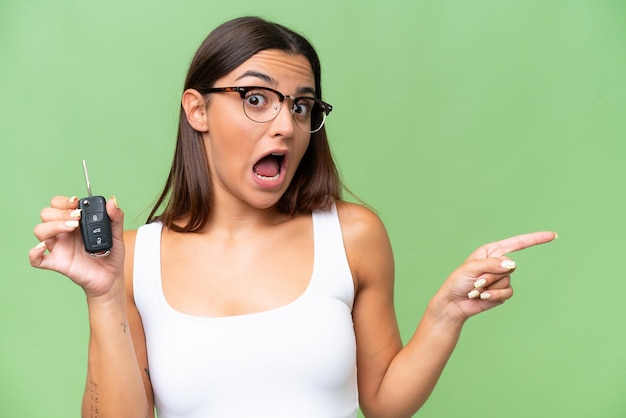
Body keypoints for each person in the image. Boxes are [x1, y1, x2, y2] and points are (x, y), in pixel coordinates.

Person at [29, 16, 556, 418]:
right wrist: (102, 295)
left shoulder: (352, 235)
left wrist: (445, 315)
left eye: (301, 106)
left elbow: (383, 403)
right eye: (256, 98)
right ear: (198, 110)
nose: (286, 124)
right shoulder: (136, 257)